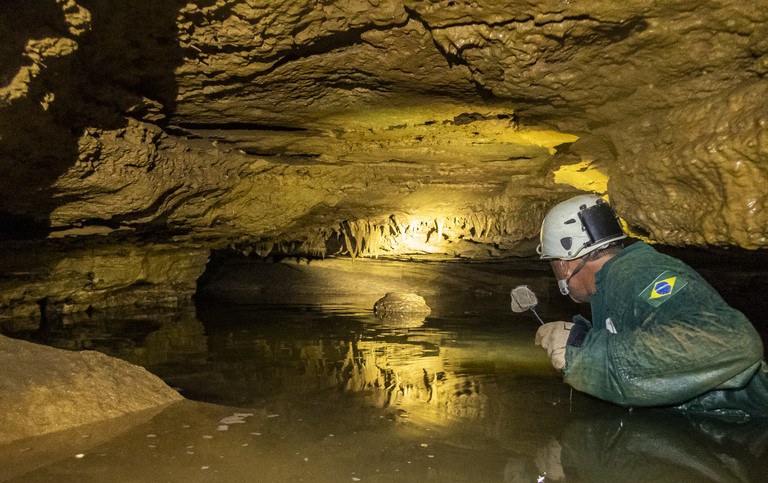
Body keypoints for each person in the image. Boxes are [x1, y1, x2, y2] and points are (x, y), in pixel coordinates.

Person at [533, 194, 768, 420]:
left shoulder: (637, 271)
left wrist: (586, 352)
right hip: (717, 431)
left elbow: (734, 341)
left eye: (554, 265)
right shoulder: (609, 286)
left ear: (563, 265)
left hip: (750, 431)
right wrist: (583, 338)